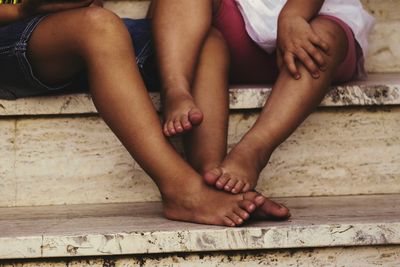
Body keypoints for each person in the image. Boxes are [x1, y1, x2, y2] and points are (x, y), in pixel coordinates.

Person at [0, 0, 290, 226]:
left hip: (64, 32)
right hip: (15, 31)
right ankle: (180, 190)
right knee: (98, 26)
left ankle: (211, 181)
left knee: (205, 40)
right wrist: (24, 9)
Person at [151, 0, 374, 194]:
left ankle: (253, 150)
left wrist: (293, 14)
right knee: (200, 38)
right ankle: (176, 89)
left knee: (324, 38)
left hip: (312, 24)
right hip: (236, 33)